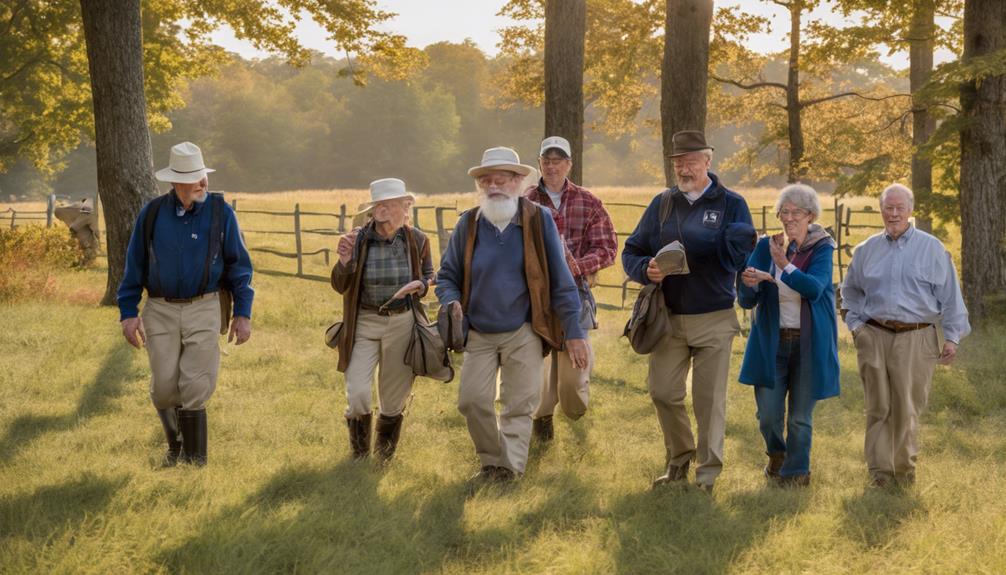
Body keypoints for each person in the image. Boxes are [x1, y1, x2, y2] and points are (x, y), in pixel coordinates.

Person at [436, 146, 589, 483]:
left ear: (519, 182)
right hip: (478, 330)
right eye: (487, 180)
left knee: (519, 405)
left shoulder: (539, 220)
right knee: (472, 402)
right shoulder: (469, 224)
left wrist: (574, 332)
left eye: (501, 180)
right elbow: (446, 276)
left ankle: (508, 471)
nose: (494, 187)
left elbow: (561, 281)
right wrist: (450, 301)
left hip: (524, 329)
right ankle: (491, 461)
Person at [622, 130, 755, 493]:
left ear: (708, 161)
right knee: (663, 392)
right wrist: (646, 267)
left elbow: (740, 253)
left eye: (692, 160)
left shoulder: (732, 204)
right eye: (678, 161)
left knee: (709, 403)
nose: (684, 167)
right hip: (668, 318)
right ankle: (679, 459)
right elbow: (631, 251)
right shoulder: (662, 204)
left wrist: (718, 246)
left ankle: (707, 476)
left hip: (714, 317)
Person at [118, 141, 254, 467]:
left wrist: (242, 313)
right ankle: (175, 448)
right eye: (194, 178)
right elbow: (134, 265)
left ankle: (195, 462)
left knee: (195, 383)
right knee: (164, 388)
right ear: (175, 183)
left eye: (202, 175)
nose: (202, 182)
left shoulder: (222, 213)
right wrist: (128, 313)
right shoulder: (151, 215)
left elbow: (239, 265)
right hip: (160, 309)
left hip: (204, 306)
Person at [841, 183, 970, 488]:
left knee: (907, 407)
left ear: (911, 211)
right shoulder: (866, 250)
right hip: (874, 334)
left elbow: (951, 297)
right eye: (889, 207)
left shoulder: (932, 248)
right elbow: (849, 293)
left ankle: (904, 473)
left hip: (917, 337)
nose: (894, 213)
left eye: (900, 208)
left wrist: (951, 337)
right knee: (878, 407)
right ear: (881, 209)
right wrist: (858, 329)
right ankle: (880, 475)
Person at [737, 184, 840, 487]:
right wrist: (748, 283)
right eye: (785, 211)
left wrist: (784, 265)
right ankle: (776, 455)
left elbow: (814, 288)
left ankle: (797, 475)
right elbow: (746, 301)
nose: (790, 218)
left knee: (799, 417)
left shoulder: (822, 247)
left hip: (809, 343)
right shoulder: (767, 244)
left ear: (810, 215)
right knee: (768, 415)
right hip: (771, 341)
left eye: (797, 212)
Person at [331, 178, 434, 461]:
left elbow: (429, 274)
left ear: (405, 207)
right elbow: (340, 285)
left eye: (390, 204)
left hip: (402, 322)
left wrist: (422, 286)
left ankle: (383, 457)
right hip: (364, 322)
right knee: (358, 393)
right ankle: (359, 455)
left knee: (393, 399)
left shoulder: (418, 240)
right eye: (379, 204)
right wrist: (344, 261)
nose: (383, 210)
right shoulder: (357, 239)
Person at [523, 136, 617, 441]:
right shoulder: (525, 201)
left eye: (557, 160)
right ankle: (542, 423)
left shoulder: (588, 202)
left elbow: (606, 248)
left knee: (572, 383)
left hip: (574, 294)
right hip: (532, 296)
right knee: (538, 374)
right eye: (546, 161)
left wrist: (577, 266)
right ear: (539, 163)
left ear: (569, 164)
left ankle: (573, 404)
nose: (551, 166)